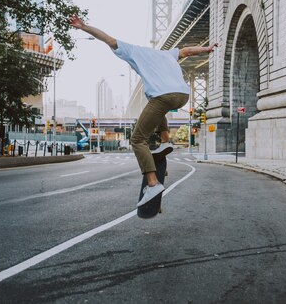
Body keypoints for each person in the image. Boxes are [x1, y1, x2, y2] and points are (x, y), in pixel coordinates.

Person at [69, 15, 217, 207]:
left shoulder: (133, 51)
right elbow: (188, 51)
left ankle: (153, 182)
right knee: (152, 97)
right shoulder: (167, 53)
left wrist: (84, 26)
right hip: (182, 96)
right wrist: (207, 49)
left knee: (138, 139)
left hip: (163, 96)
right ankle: (165, 140)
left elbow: (108, 39)